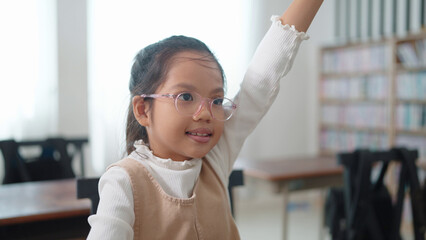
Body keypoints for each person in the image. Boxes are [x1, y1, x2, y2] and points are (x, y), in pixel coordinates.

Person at [87, 0, 323, 239]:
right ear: (143, 110)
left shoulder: (215, 158)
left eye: (217, 100)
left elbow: (261, 79)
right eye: (186, 96)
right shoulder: (123, 181)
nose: (206, 113)